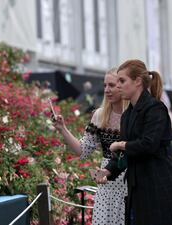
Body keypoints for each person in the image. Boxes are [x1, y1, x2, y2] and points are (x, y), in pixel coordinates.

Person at [95, 59, 172, 225]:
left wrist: (120, 145)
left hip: (160, 187)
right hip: (138, 191)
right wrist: (107, 171)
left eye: (122, 81)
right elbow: (125, 156)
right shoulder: (127, 116)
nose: (118, 86)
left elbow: (149, 144)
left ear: (137, 81)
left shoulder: (155, 108)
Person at [53, 68, 127, 225]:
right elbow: (82, 150)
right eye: (105, 85)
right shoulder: (100, 115)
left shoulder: (133, 114)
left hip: (130, 183)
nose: (107, 90)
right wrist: (63, 129)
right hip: (106, 184)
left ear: (122, 86)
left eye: (112, 85)